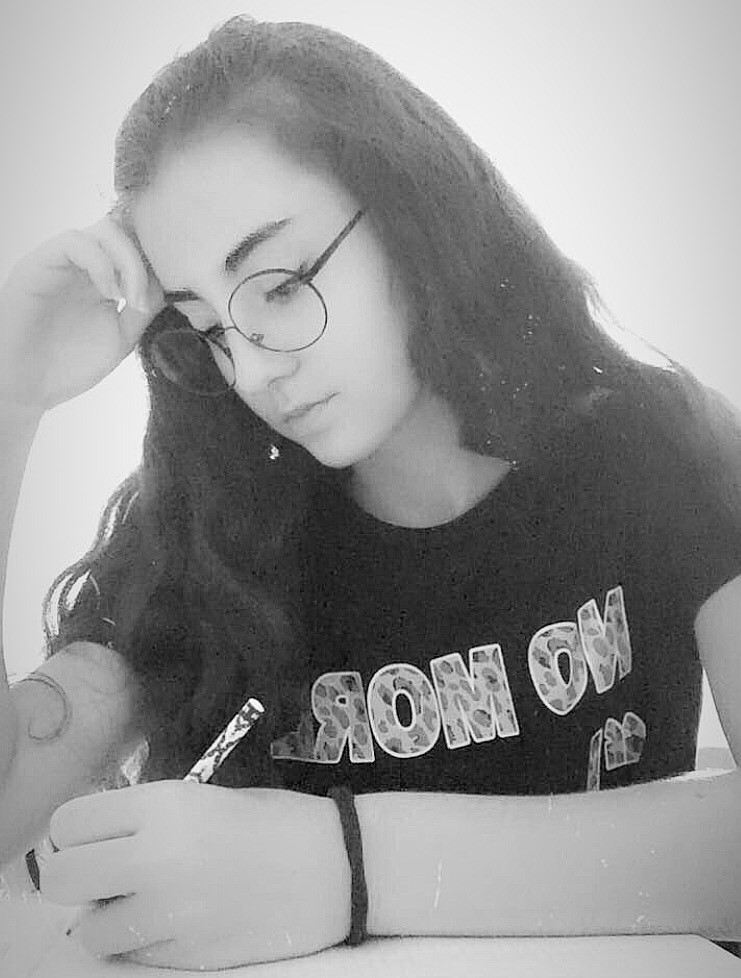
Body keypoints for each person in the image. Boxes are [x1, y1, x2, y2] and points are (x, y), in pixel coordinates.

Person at [1, 14, 740, 970]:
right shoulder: (203, 528)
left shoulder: (662, 445)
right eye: (207, 330)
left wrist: (345, 867)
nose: (252, 370)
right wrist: (9, 398)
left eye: (278, 283)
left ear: (410, 208)